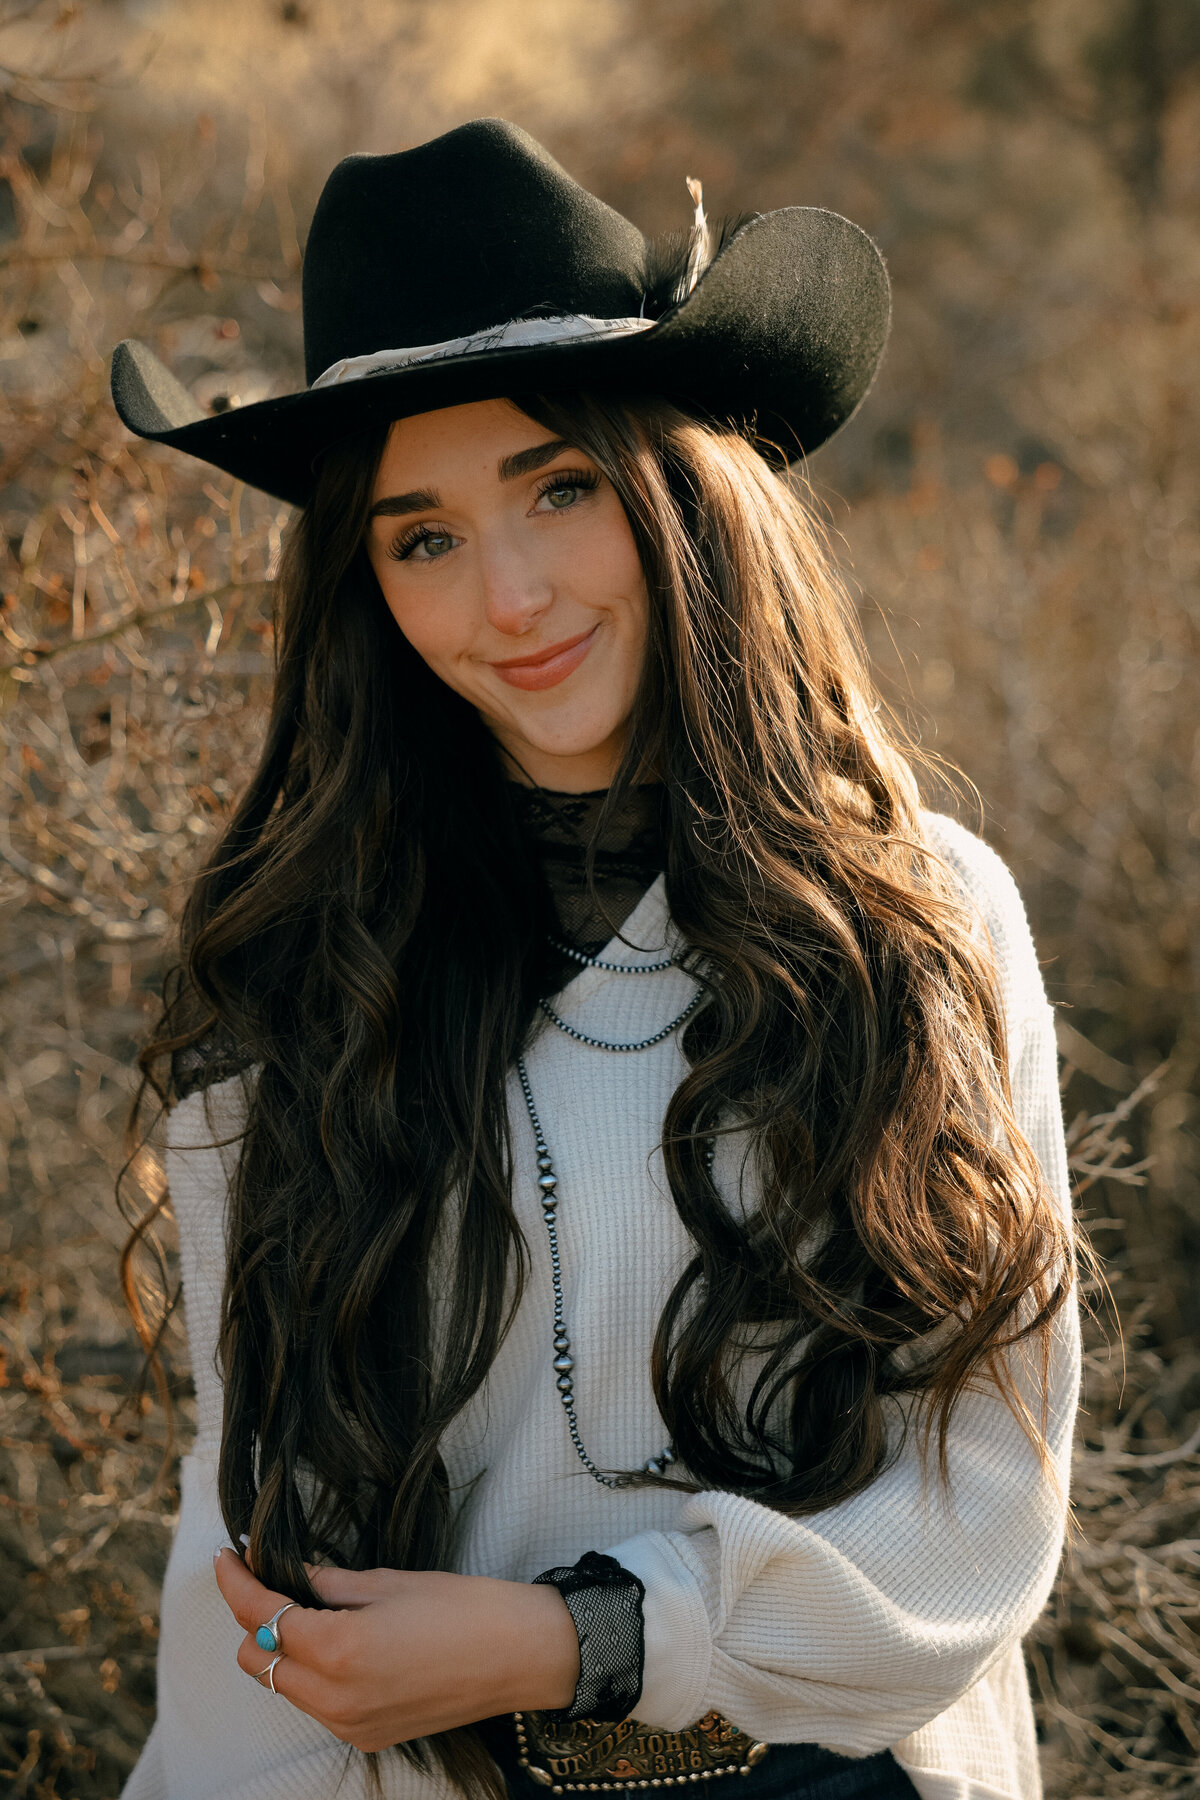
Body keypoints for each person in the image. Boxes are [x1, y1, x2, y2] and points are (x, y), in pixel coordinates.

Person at [111, 119, 1080, 1800]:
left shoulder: (919, 918)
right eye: (421, 537)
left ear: (680, 484)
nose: (510, 597)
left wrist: (578, 1640)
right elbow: (248, 1533)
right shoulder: (299, 975)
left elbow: (979, 1517)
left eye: (559, 488)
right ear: (367, 590)